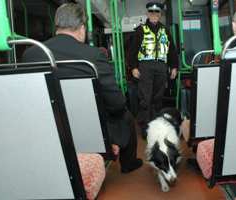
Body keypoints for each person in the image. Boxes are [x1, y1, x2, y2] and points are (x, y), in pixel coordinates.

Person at [22, 3, 142, 173]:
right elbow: (116, 103)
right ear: (81, 27)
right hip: (89, 129)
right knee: (125, 116)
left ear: (57, 26)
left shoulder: (31, 55)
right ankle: (126, 162)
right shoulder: (93, 56)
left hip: (48, 127)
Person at [129, 1, 179, 138]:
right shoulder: (141, 30)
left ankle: (155, 126)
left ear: (160, 14)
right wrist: (133, 67)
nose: (154, 14)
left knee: (157, 98)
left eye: (157, 12)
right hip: (146, 66)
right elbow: (132, 51)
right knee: (146, 98)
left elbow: (172, 51)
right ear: (147, 13)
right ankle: (145, 128)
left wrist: (174, 66)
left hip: (161, 67)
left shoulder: (165, 30)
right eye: (151, 12)